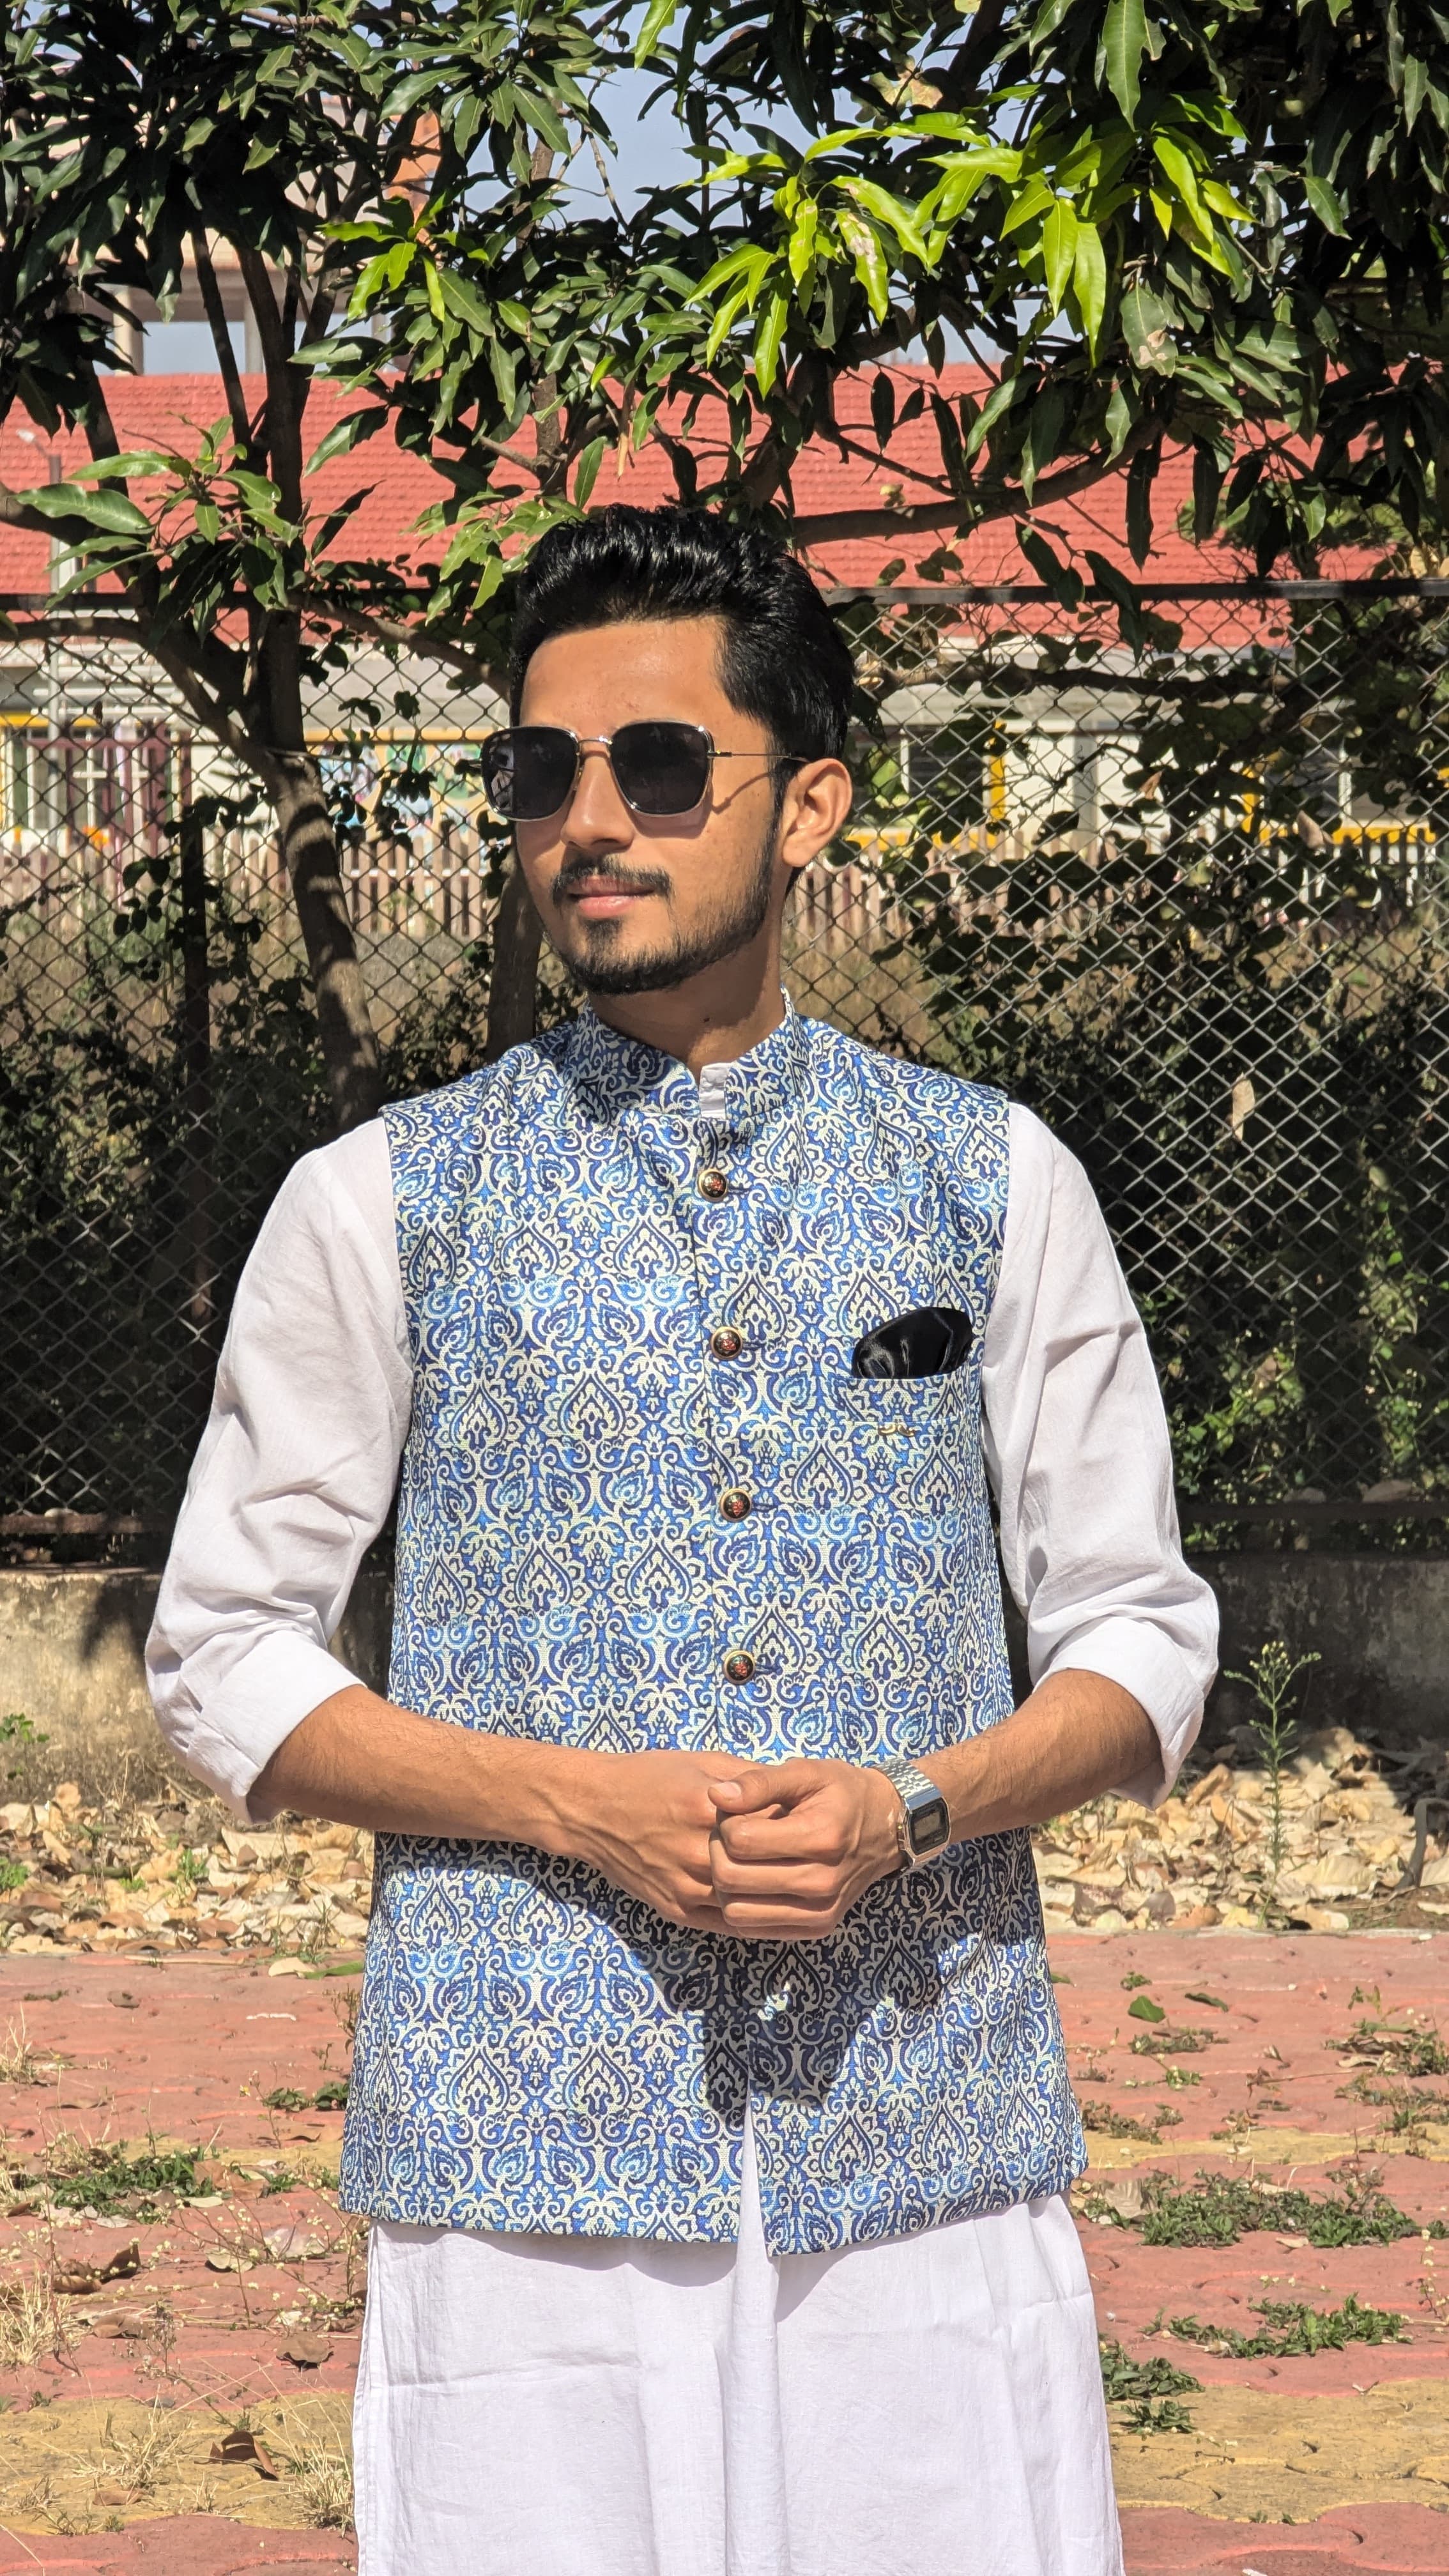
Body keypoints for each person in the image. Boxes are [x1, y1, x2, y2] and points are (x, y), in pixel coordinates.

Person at [148, 505, 1218, 2576]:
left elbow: (1140, 1632)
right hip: (520, 2147)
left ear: (807, 802)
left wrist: (916, 1807)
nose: (587, 822)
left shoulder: (992, 1178)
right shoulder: (381, 1200)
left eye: (656, 766)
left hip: (918, 2124)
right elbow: (224, 1659)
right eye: (537, 771)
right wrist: (576, 1807)